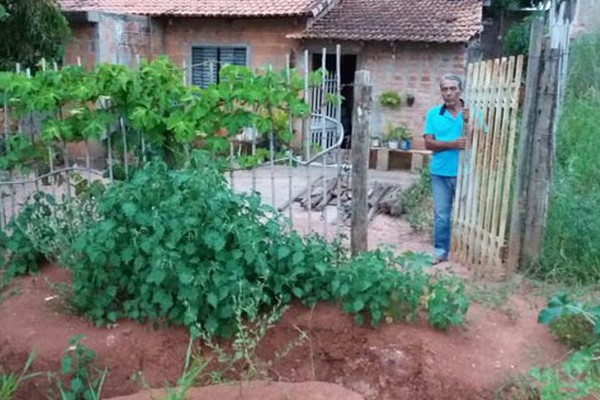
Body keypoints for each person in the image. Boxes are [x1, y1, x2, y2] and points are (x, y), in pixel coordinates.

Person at [423, 74, 469, 265]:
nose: (448, 93)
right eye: (444, 89)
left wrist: (471, 122)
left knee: (466, 214)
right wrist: (450, 144)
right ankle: (440, 250)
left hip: (466, 172)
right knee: (442, 214)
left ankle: (465, 251)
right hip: (440, 172)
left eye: (452, 89)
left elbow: (485, 141)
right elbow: (428, 143)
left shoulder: (471, 114)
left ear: (460, 91)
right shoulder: (434, 114)